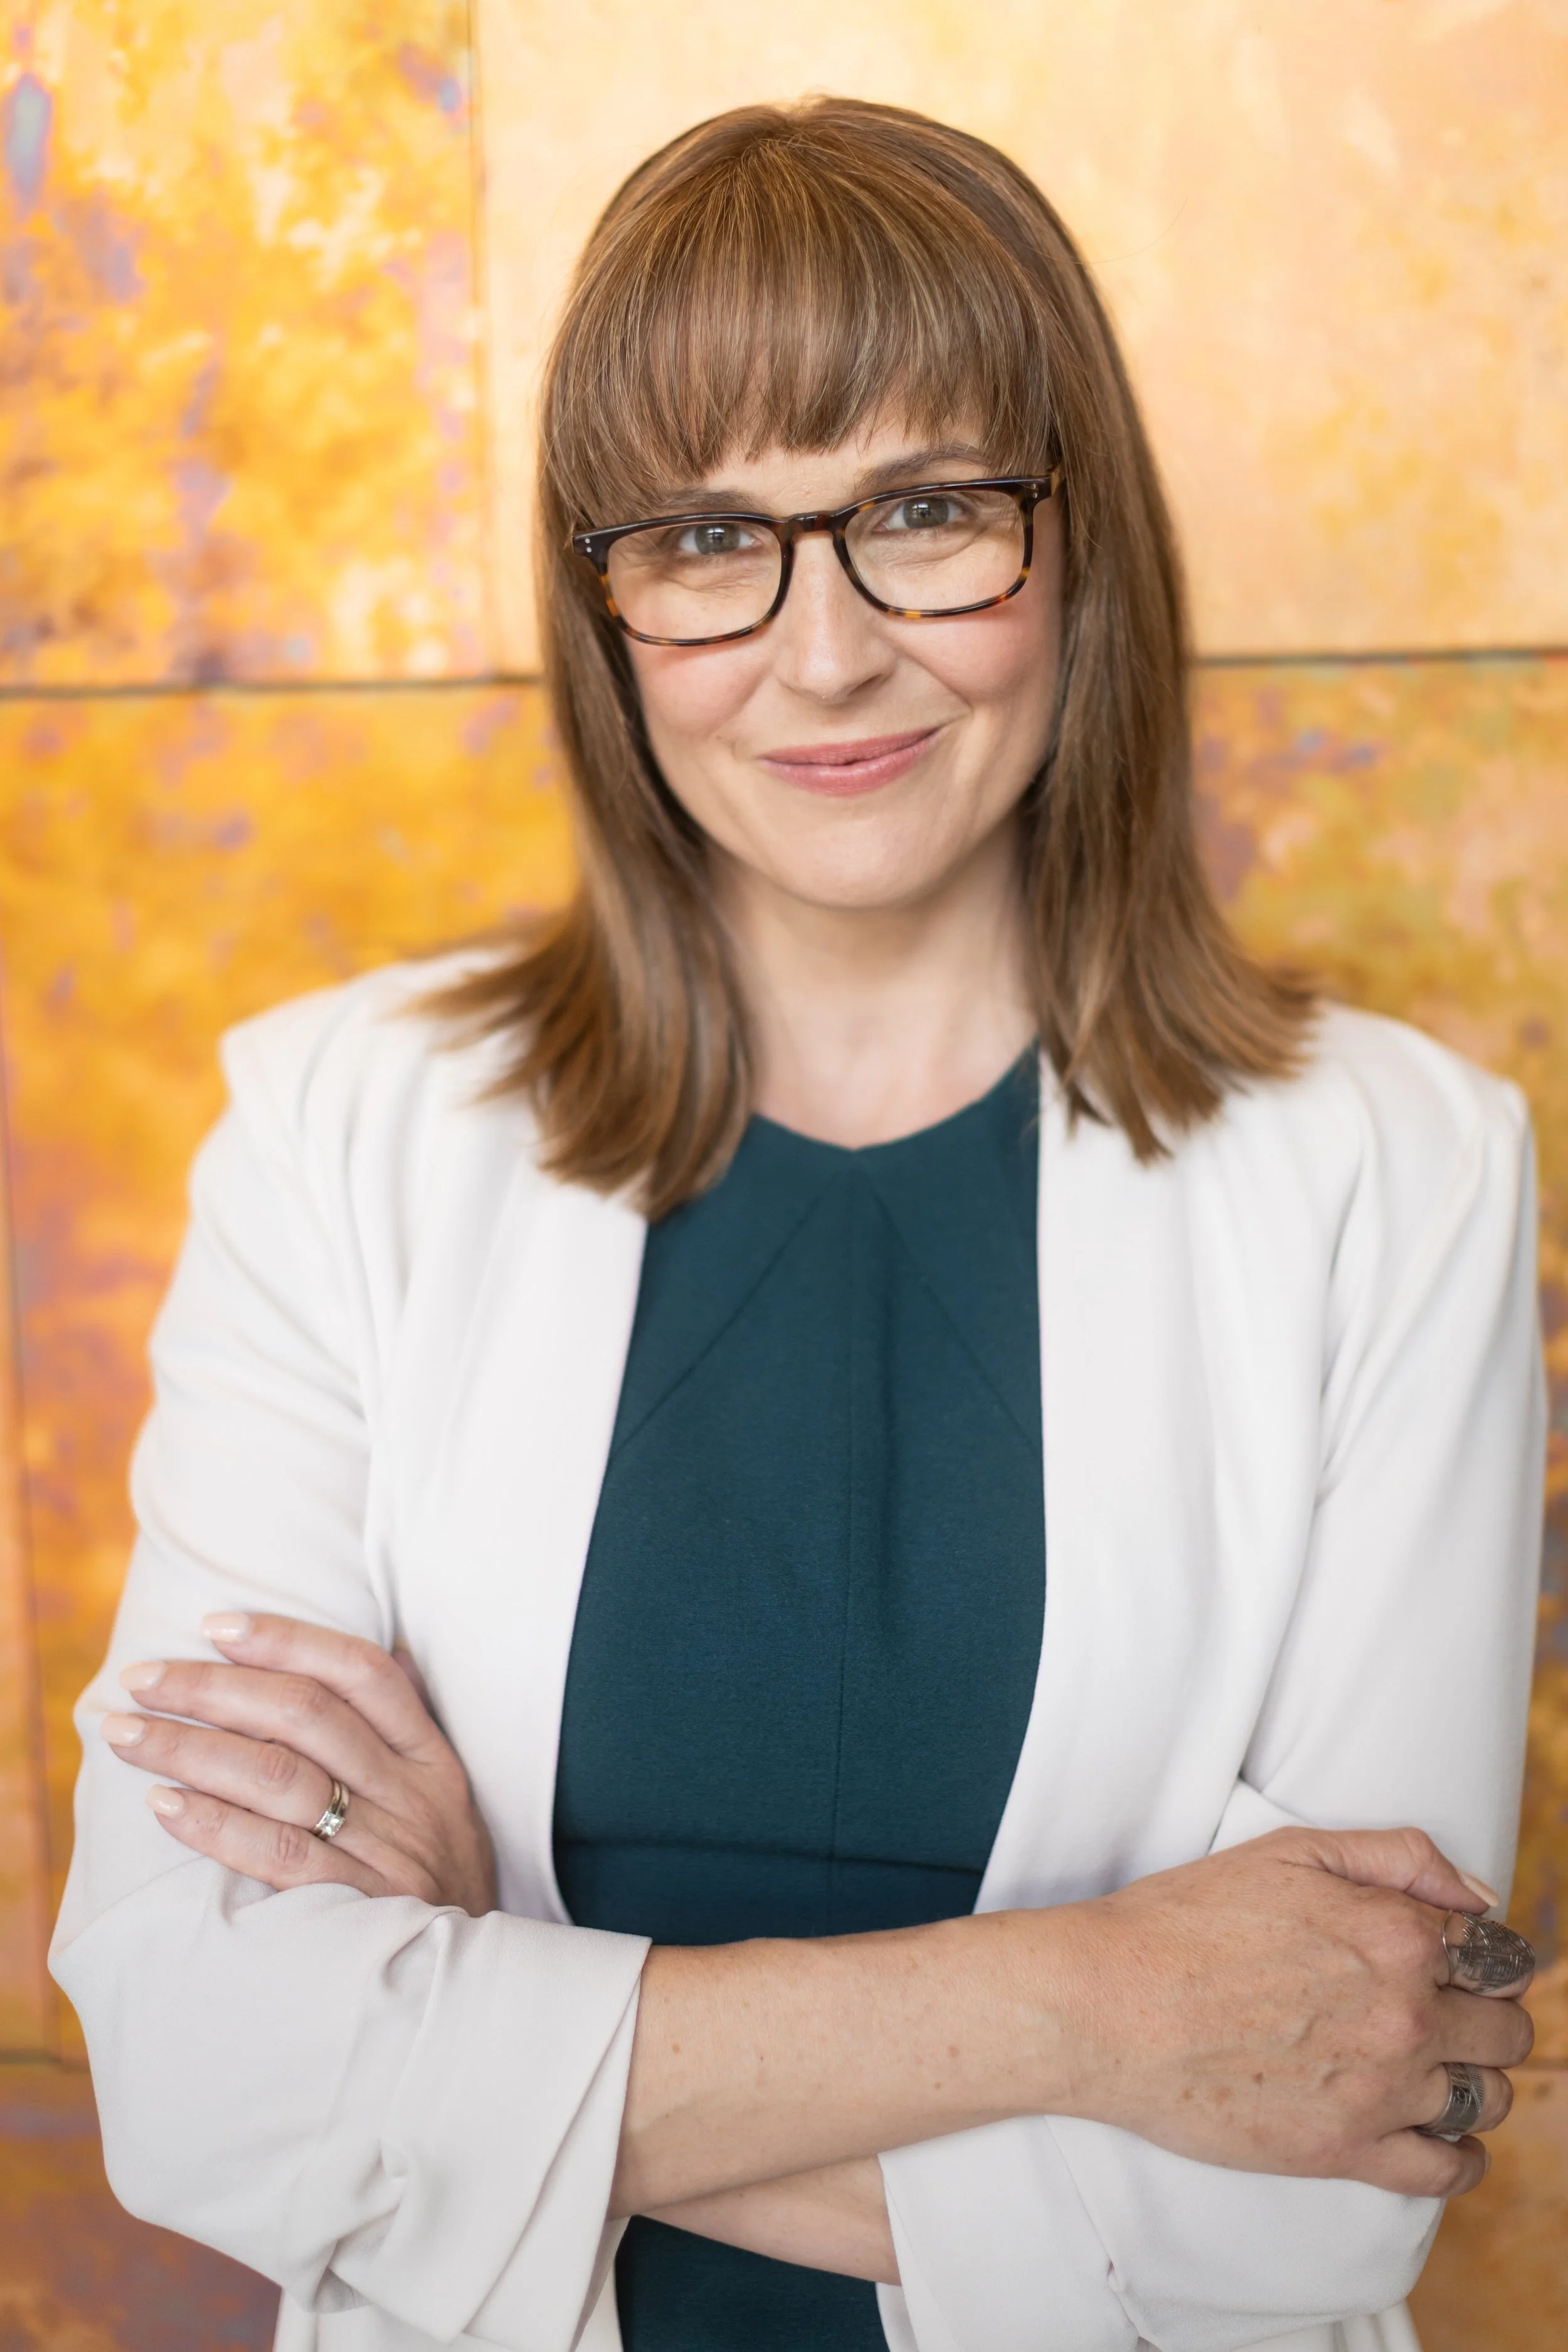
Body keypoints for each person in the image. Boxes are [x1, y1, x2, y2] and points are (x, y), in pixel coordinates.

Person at [53, 98, 1543, 2352]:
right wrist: (1107, 2002)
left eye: (926, 512)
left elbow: (1322, 2173)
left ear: (1080, 539)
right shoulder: (341, 1130)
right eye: (702, 537)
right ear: (607, 607)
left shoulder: (1397, 1169)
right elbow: (208, 2072)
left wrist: (485, 2016)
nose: (822, 655)